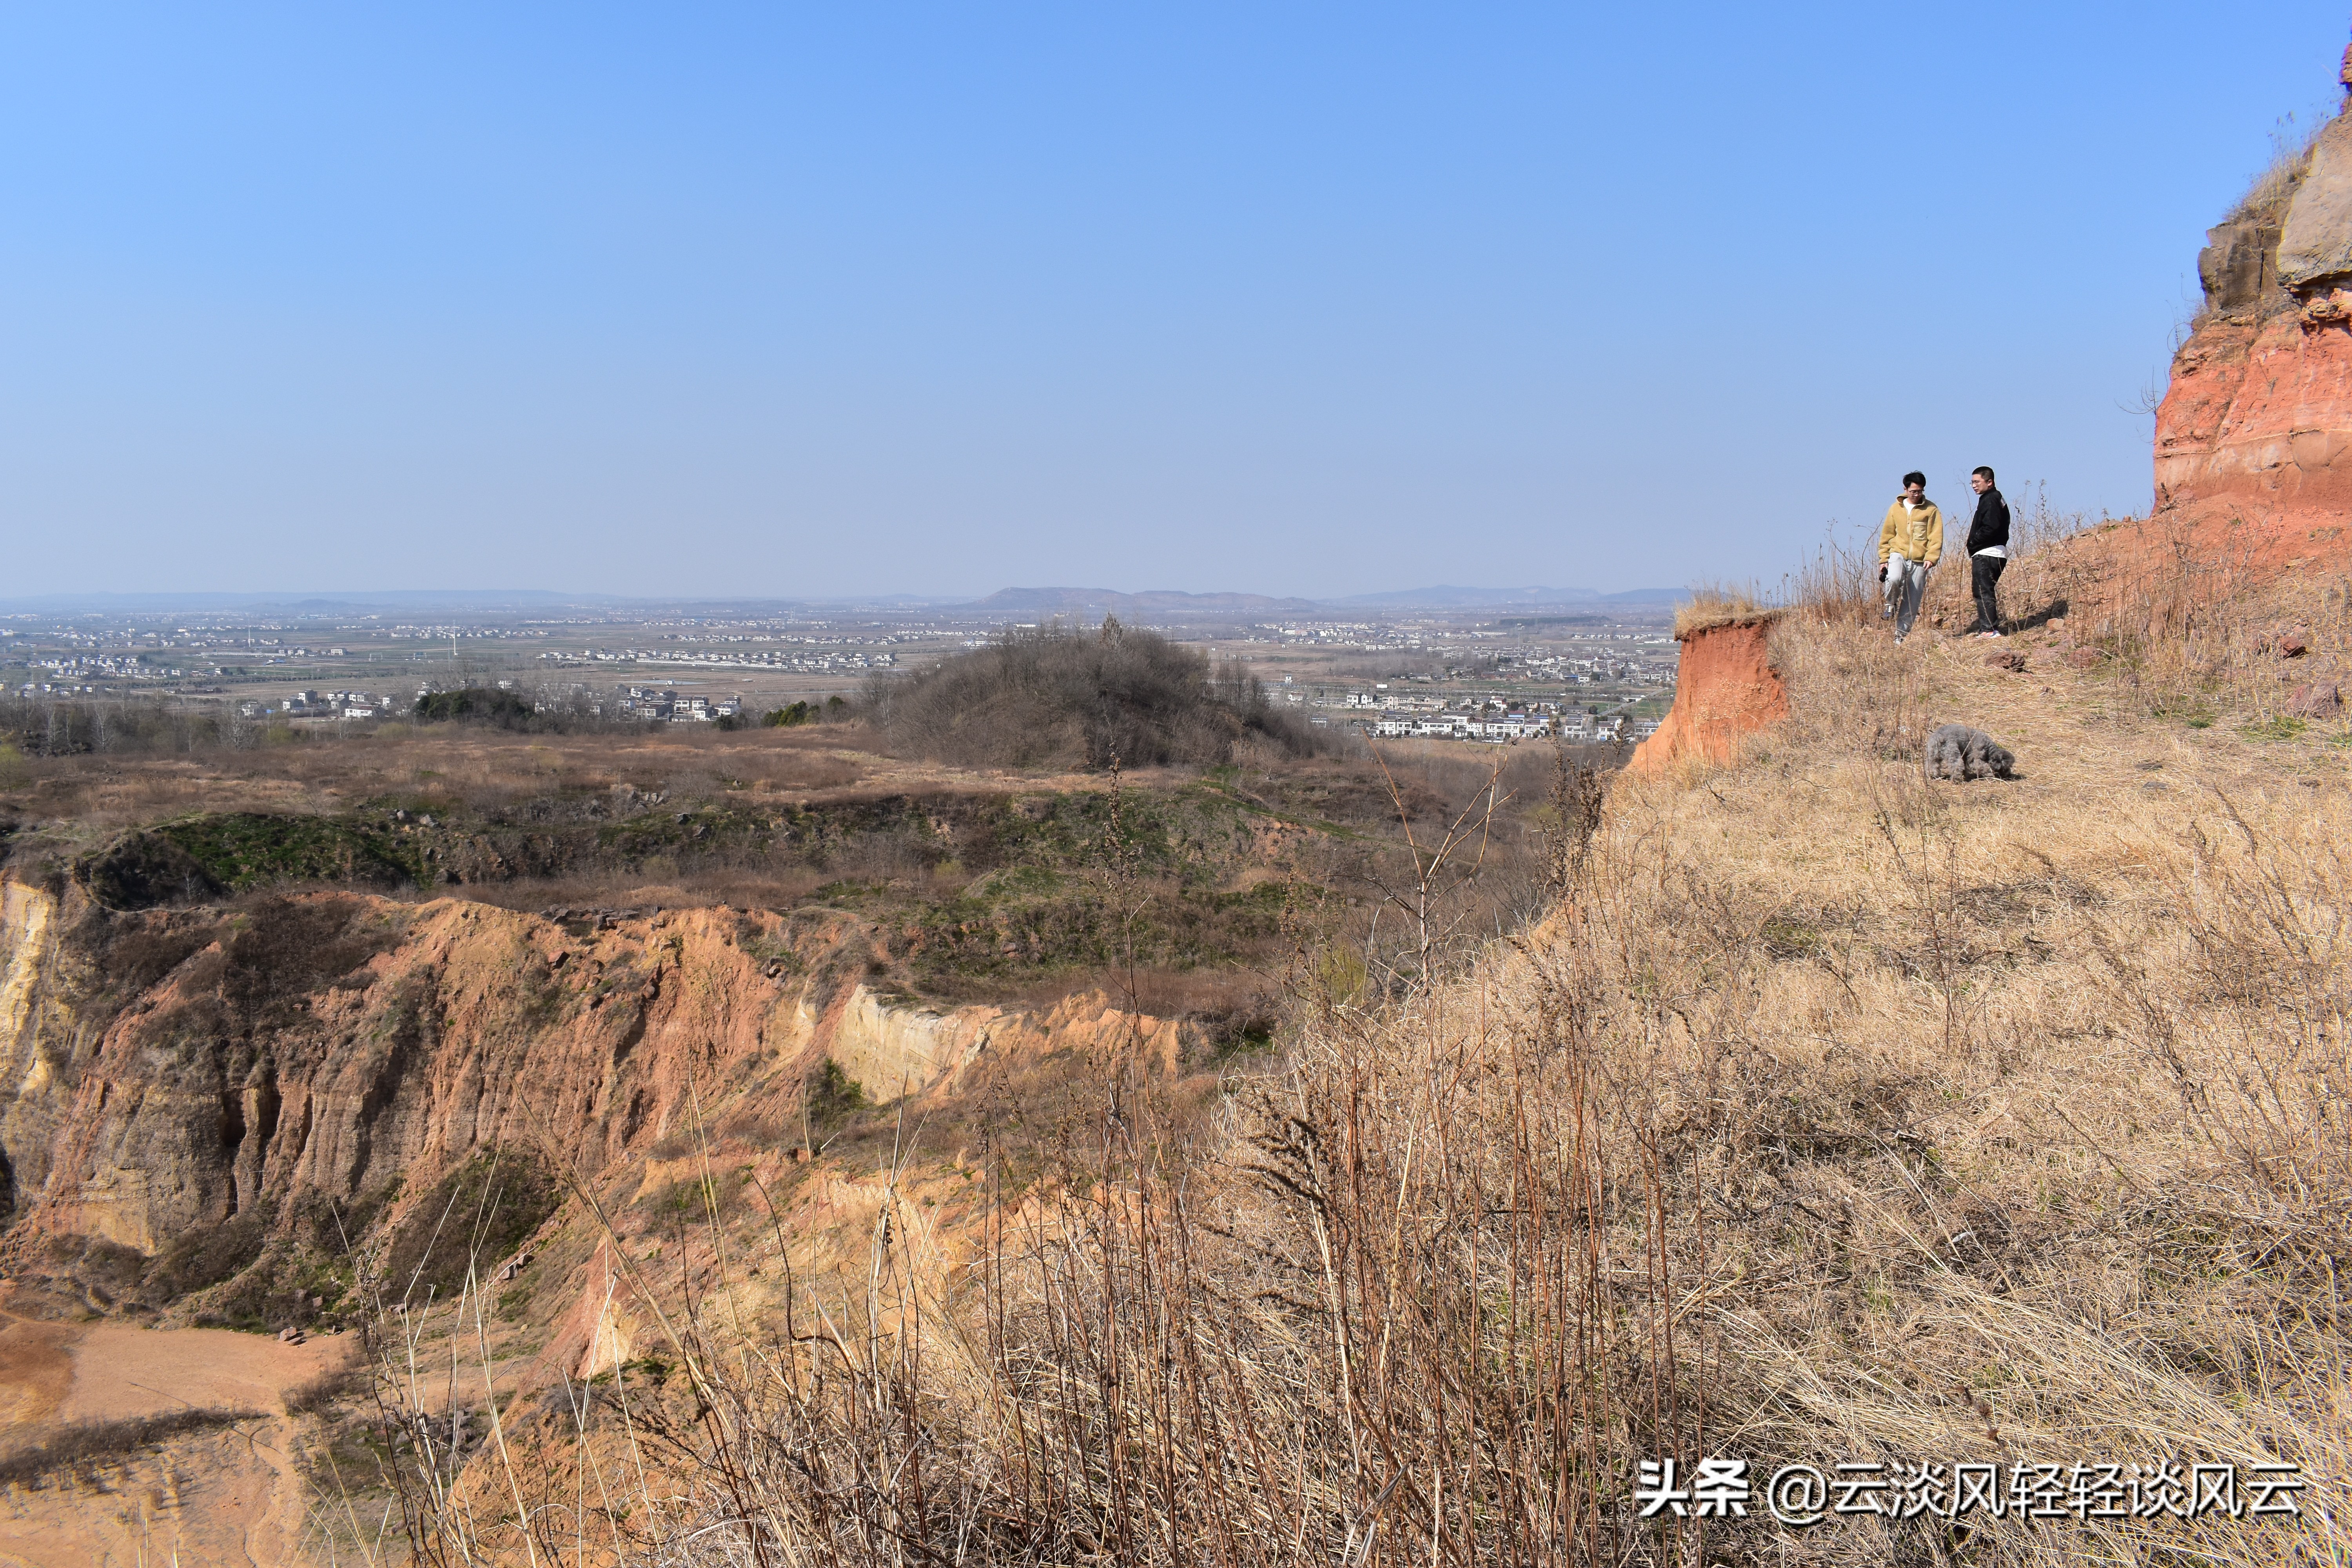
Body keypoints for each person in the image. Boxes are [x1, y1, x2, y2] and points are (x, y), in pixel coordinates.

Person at [1877, 471, 1942, 645]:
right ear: (1905, 489)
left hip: (1920, 560)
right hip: (1898, 553)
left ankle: (1900, 638)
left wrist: (1932, 557)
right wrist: (1884, 559)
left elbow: (1936, 536)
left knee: (1913, 600)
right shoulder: (1895, 509)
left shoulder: (1931, 510)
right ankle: (1890, 604)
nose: (1917, 494)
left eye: (1920, 491)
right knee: (1894, 578)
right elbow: (1887, 535)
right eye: (1913, 491)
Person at [1962, 466, 2010, 637]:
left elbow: (1991, 527)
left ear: (1989, 482)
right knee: (1983, 590)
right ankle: (1989, 629)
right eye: (1972, 483)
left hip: (1988, 553)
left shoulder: (1991, 499)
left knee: (1983, 591)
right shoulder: (1993, 498)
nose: (1974, 486)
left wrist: (1974, 542)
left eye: (1977, 482)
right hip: (1994, 552)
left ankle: (1989, 630)